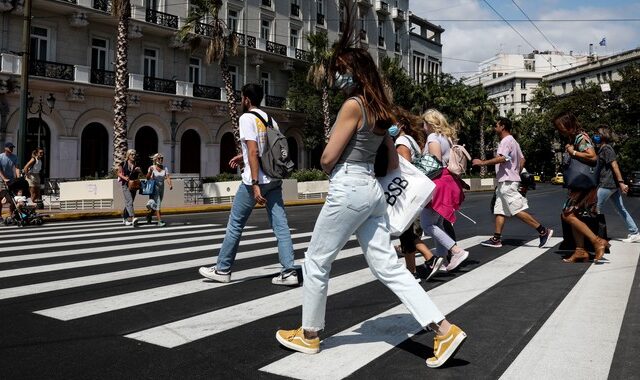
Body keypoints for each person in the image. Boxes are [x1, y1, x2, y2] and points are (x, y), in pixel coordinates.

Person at [275, 7, 466, 367]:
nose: (336, 77)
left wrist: (332, 154)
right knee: (388, 267)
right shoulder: (380, 110)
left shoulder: (352, 105)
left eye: (340, 72)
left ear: (354, 74)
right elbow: (392, 161)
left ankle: (310, 334)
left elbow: (328, 158)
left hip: (348, 187)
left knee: (317, 259)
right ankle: (443, 329)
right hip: (372, 192)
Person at [198, 83, 299, 286]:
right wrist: (242, 156)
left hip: (255, 182)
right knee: (281, 226)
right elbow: (265, 151)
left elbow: (254, 151)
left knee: (235, 225)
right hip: (274, 179)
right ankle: (289, 272)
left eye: (241, 97)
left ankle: (222, 269)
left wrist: (254, 183)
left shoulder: (246, 118)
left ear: (246, 99)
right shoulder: (271, 119)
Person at [472, 117, 553, 249]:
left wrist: (482, 163)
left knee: (516, 210)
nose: (494, 127)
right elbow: (522, 160)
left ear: (502, 126)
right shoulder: (514, 141)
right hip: (506, 181)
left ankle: (543, 231)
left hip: (508, 183)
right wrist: (516, 172)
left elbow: (503, 158)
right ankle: (496, 239)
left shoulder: (506, 141)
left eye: (496, 125)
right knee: (500, 210)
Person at [553, 112, 610, 263]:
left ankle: (596, 241)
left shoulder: (580, 137)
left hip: (583, 184)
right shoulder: (574, 138)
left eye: (561, 127)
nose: (560, 130)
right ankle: (580, 251)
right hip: (579, 183)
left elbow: (592, 156)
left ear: (569, 125)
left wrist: (573, 152)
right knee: (574, 215)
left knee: (568, 214)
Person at [391, 109, 441, 282]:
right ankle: (411, 272)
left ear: (401, 125)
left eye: (392, 123)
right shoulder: (411, 139)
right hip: (415, 192)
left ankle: (430, 258)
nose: (390, 126)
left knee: (406, 232)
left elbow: (405, 167)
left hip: (407, 193)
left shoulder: (401, 141)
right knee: (406, 233)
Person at [420, 109, 469, 272]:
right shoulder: (447, 138)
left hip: (438, 182)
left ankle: (456, 251)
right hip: (449, 182)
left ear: (430, 123)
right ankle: (441, 260)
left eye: (424, 123)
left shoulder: (433, 137)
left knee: (427, 224)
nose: (423, 127)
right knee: (437, 223)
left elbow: (434, 164)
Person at [593, 126, 639, 243]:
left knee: (594, 208)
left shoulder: (607, 149)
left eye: (597, 134)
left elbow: (615, 166)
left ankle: (596, 235)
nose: (595, 136)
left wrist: (622, 183)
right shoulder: (602, 149)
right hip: (611, 185)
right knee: (621, 209)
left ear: (603, 136)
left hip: (606, 184)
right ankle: (634, 232)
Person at [145, 153, 172, 227]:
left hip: (161, 187)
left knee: (157, 205)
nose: (161, 160)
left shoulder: (165, 168)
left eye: (162, 158)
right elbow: (147, 178)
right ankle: (159, 221)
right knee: (158, 203)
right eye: (159, 158)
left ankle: (149, 215)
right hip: (155, 187)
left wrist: (170, 184)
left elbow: (168, 177)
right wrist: (150, 171)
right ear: (155, 159)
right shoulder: (152, 167)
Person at [116, 149, 140, 226]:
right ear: (128, 155)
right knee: (129, 201)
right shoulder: (123, 163)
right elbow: (118, 173)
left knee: (129, 202)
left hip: (134, 185)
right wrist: (124, 177)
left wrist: (138, 170)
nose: (133, 156)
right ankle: (133, 218)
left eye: (134, 154)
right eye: (132, 154)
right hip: (125, 185)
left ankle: (124, 218)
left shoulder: (136, 164)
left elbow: (141, 173)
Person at [0, 142, 20, 221]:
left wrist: (18, 177)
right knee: (0, 198)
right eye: (10, 147)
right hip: (1, 180)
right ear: (5, 148)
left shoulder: (14, 157)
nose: (11, 149)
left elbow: (17, 167)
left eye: (12, 147)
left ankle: (12, 215)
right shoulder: (1, 157)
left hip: (11, 180)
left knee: (13, 199)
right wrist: (4, 178)